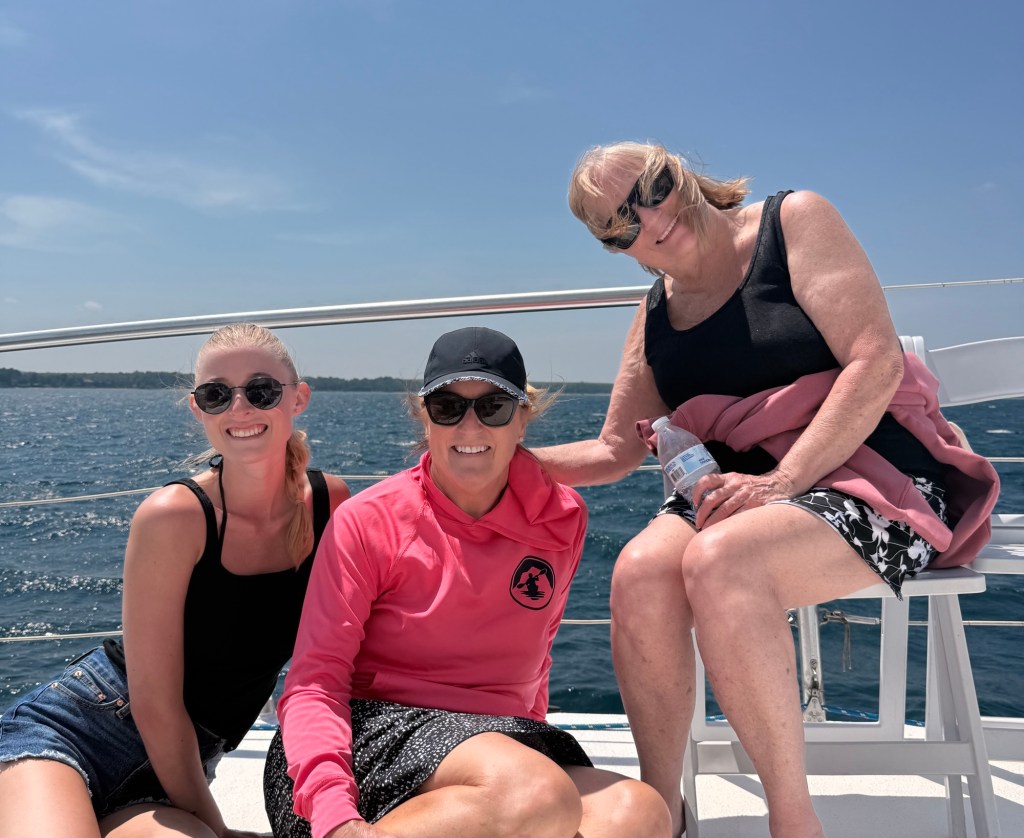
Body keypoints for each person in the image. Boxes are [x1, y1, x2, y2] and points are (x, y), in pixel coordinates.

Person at [531, 141, 999, 838]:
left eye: (650, 190)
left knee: (722, 562)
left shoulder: (793, 223)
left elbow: (872, 360)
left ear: (679, 170)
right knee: (637, 574)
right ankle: (663, 812)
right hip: (737, 490)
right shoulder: (654, 313)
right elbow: (614, 449)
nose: (648, 219)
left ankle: (793, 822)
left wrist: (781, 481)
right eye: (618, 224)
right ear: (615, 247)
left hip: (871, 470)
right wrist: (491, 457)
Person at [263, 326, 670, 838]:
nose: (470, 426)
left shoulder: (561, 519)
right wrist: (333, 813)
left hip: (498, 745)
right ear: (425, 419)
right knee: (536, 794)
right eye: (449, 407)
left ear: (523, 420)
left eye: (494, 407)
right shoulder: (369, 521)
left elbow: (535, 663)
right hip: (366, 744)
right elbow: (315, 683)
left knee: (639, 813)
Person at [0, 323, 351, 838]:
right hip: (78, 735)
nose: (240, 408)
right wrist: (218, 826)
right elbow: (155, 703)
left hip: (179, 770)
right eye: (216, 394)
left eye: (260, 390)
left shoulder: (329, 503)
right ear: (197, 408)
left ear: (298, 399)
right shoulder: (175, 515)